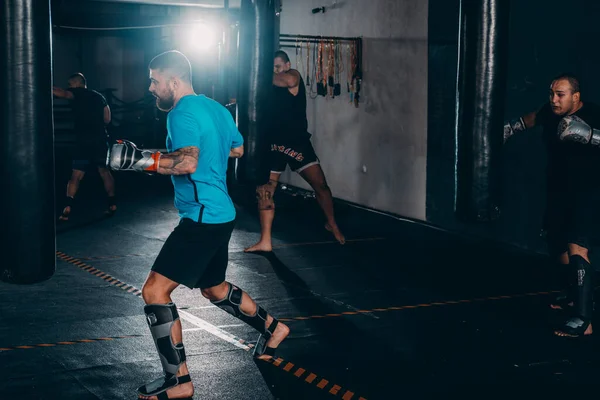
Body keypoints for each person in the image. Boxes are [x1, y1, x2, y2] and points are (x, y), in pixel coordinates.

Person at [107, 50, 290, 400]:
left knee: (154, 292)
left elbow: (188, 162)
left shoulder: (181, 113)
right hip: (221, 212)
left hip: (202, 217)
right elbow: (236, 150)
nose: (151, 87)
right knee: (214, 288)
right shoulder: (216, 108)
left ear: (173, 82)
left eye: (155, 81)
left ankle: (179, 382)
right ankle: (274, 327)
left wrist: (141, 161)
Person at [504, 73, 600, 337]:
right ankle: (574, 294)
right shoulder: (549, 111)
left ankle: (583, 320)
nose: (554, 99)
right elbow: (531, 118)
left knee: (577, 246)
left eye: (560, 95)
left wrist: (591, 135)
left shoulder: (593, 114)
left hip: (587, 191)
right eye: (552, 93)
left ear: (576, 97)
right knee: (557, 247)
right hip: (559, 191)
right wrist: (510, 129)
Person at [244, 50, 346, 253]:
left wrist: (260, 73)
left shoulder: (293, 76)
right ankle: (265, 241)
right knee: (265, 191)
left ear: (287, 65)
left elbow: (287, 81)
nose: (275, 71)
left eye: (278, 66)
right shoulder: (266, 88)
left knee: (321, 185)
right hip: (273, 144)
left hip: (296, 142)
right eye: (272, 67)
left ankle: (331, 223)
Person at [53, 73, 116, 221]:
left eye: (70, 84)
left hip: (83, 142)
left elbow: (61, 93)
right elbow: (107, 119)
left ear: (75, 84)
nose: (69, 87)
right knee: (104, 172)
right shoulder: (100, 96)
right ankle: (112, 204)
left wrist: (37, 84)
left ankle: (68, 206)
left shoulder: (77, 92)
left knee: (76, 175)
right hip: (100, 140)